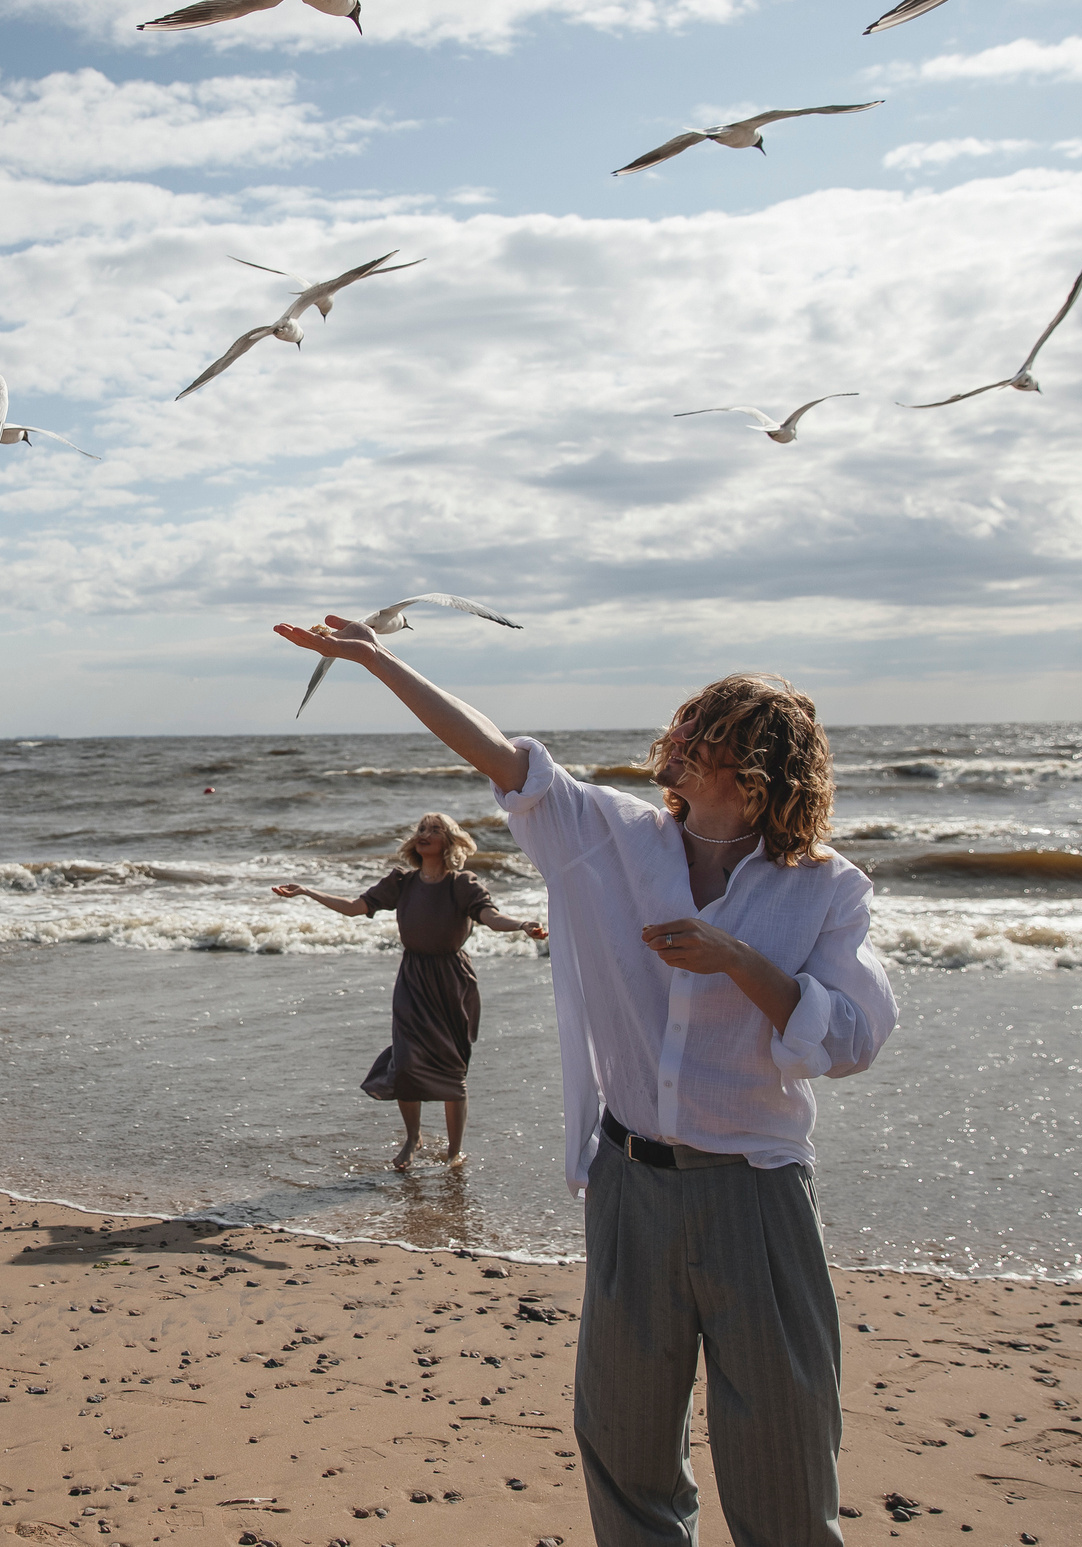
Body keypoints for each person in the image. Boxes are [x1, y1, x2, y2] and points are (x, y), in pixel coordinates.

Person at [274, 614, 897, 1547]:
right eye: (684, 724)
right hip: (630, 1185)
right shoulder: (609, 838)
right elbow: (500, 753)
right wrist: (373, 658)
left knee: (784, 1469)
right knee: (626, 1460)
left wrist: (737, 959)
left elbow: (853, 1035)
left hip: (756, 1197)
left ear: (756, 765)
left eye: (704, 732)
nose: (677, 741)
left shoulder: (826, 888)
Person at [273, 812, 543, 1171]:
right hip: (412, 979)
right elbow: (355, 908)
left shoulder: (462, 884)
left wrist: (522, 924)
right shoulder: (402, 881)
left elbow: (491, 918)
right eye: (421, 829)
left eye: (435, 830)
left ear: (449, 842)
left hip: (451, 982)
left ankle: (453, 1151)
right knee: (405, 1063)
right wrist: (308, 891)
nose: (425, 834)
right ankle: (413, 1137)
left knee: (452, 1068)